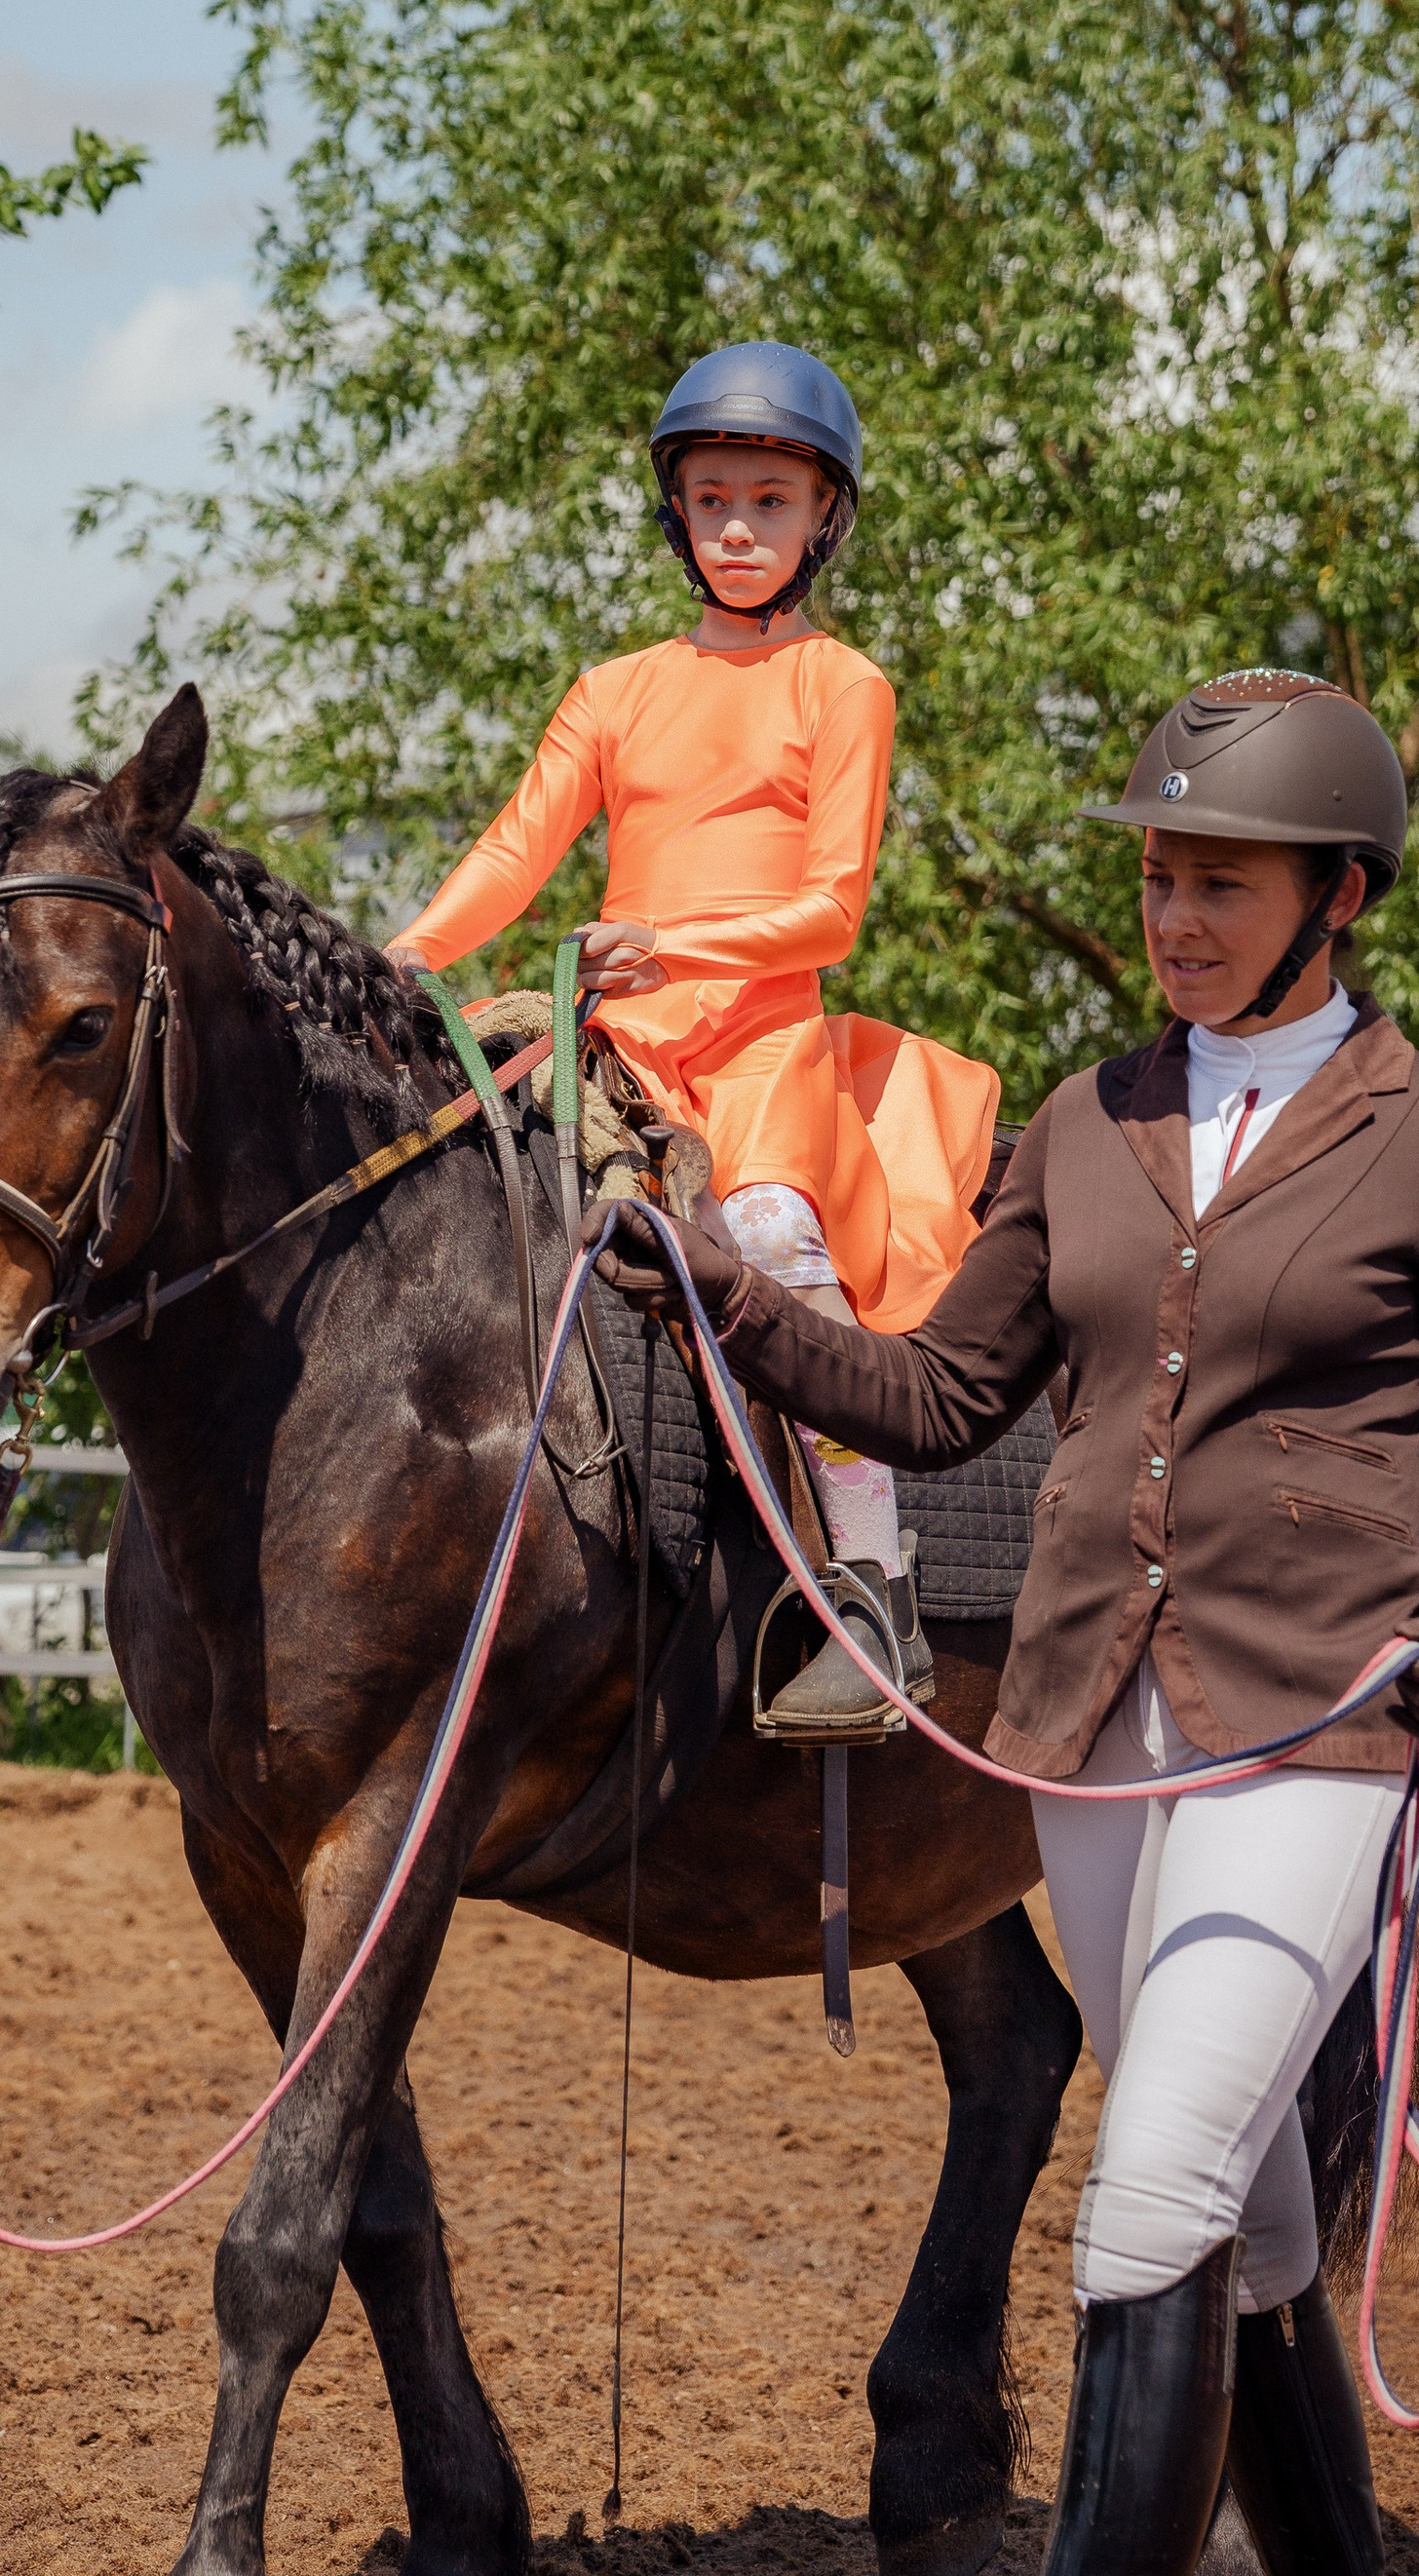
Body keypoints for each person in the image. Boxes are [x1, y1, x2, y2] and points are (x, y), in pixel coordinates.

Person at [597, 669, 1419, 2576]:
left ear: (1333, 894)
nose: (1170, 910)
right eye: (1153, 871)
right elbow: (943, 1393)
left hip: (1313, 1730)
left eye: (1215, 877)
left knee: (1140, 2204)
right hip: (1084, 1744)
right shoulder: (1076, 1116)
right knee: (1237, 2241)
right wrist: (721, 1299)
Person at [387, 341, 1000, 1726]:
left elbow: (832, 911)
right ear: (676, 513)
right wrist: (403, 958)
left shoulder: (843, 686)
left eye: (768, 503)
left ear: (822, 519)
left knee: (778, 1233)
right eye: (712, 497)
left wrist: (672, 943)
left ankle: (872, 1588)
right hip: (613, 1034)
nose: (738, 526)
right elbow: (511, 855)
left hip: (768, 1045)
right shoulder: (615, 690)